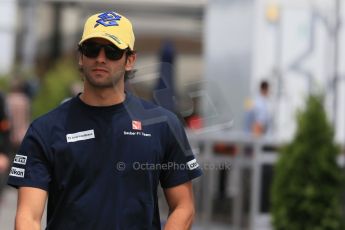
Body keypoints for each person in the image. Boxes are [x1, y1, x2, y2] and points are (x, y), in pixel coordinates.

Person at [8, 11, 202, 229]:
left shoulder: (163, 125)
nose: (100, 58)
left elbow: (184, 207)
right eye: (92, 49)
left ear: (130, 60)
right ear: (81, 56)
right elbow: (27, 217)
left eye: (112, 51)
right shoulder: (45, 129)